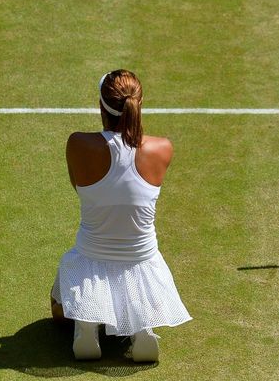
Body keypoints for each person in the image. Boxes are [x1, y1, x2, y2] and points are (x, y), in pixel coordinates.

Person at [50, 69, 192, 362]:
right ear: (139, 103)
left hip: (91, 256)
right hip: (142, 261)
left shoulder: (78, 144)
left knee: (57, 310)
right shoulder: (162, 148)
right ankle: (142, 328)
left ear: (101, 106)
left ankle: (86, 325)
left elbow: (79, 186)